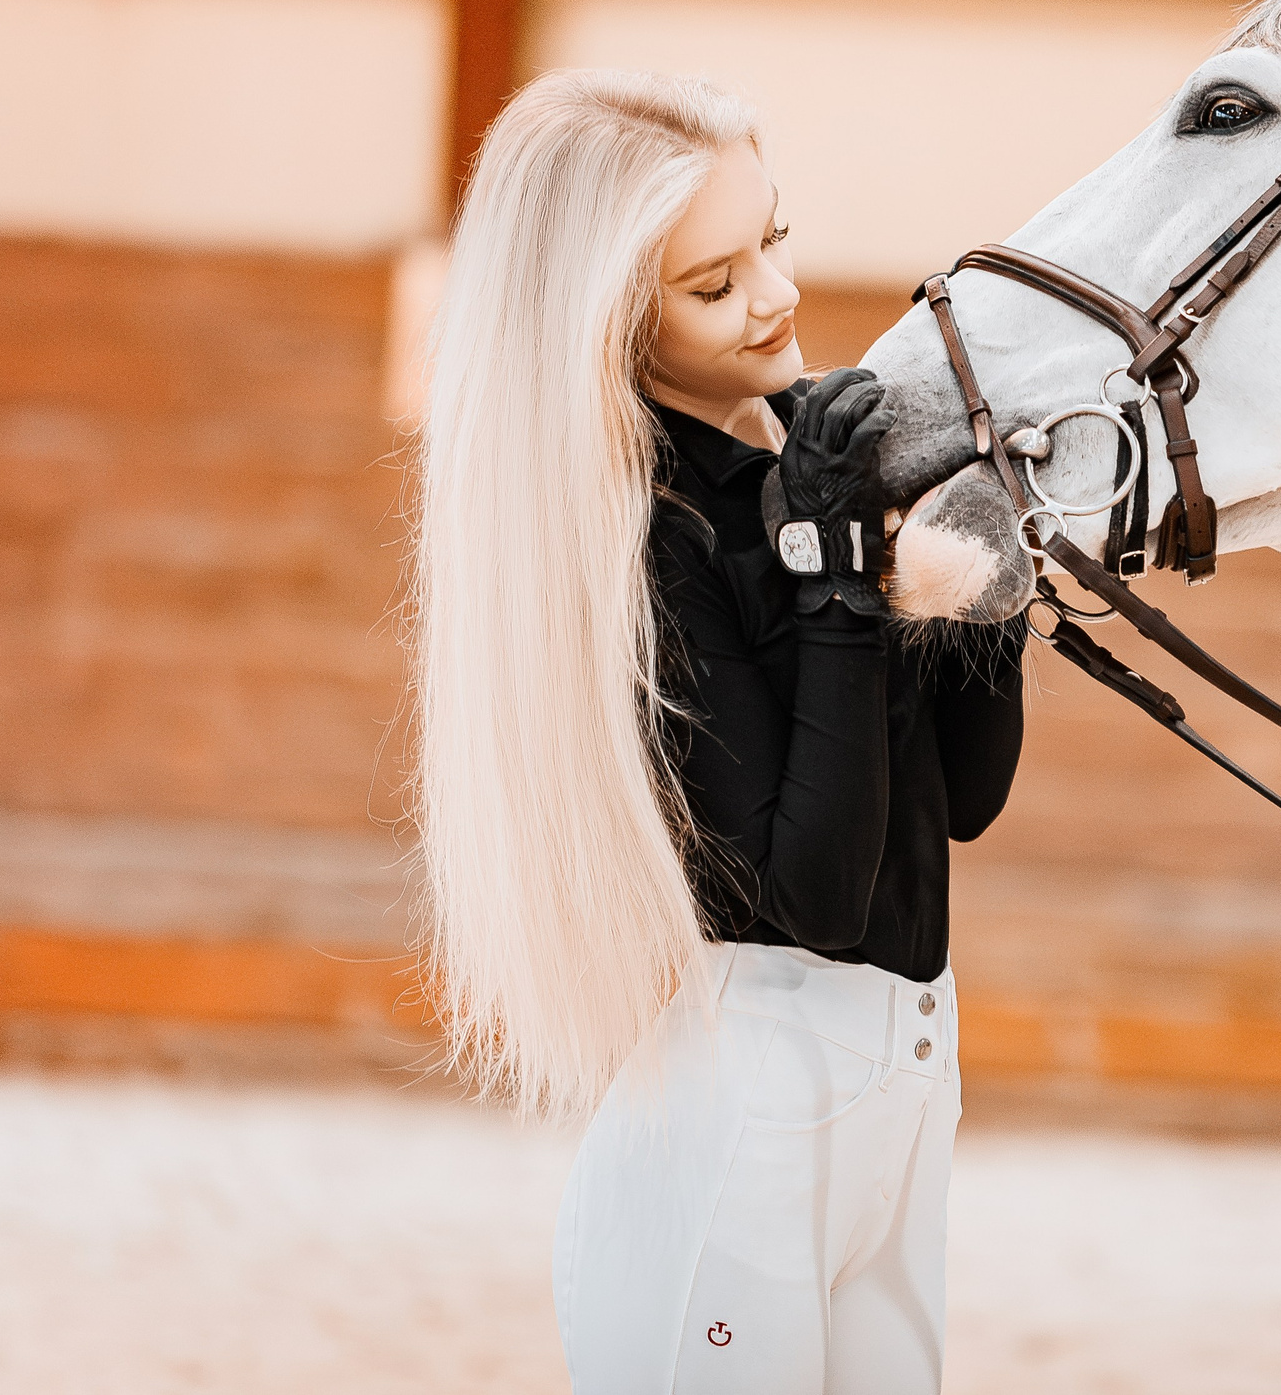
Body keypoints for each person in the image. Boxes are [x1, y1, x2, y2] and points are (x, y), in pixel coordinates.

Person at [409, 68, 1024, 1394]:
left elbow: (963, 800)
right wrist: (839, 576)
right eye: (712, 283)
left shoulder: (813, 454)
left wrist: (985, 555)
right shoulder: (645, 548)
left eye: (774, 239)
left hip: (908, 1078)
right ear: (611, 328)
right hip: (749, 1113)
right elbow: (811, 890)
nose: (776, 296)